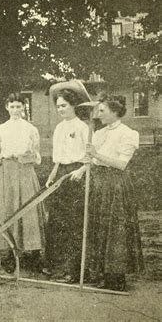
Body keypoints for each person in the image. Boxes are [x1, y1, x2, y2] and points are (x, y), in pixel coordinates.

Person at [83, 96, 144, 291]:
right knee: (100, 228)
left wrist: (96, 154)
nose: (98, 115)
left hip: (116, 185)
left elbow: (121, 164)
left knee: (115, 230)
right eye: (97, 111)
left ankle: (116, 277)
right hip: (100, 183)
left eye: (102, 111)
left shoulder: (128, 134)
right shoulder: (99, 133)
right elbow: (92, 160)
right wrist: (87, 161)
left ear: (115, 112)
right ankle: (102, 273)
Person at [0, 93, 45, 271]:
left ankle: (34, 253)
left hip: (25, 172)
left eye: (18, 106)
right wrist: (2, 159)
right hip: (6, 174)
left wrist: (26, 157)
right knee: (7, 210)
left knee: (28, 209)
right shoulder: (0, 130)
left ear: (24, 107)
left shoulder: (31, 129)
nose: (15, 110)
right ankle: (9, 254)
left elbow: (37, 155)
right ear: (7, 107)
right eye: (12, 106)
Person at [44, 80, 90, 283]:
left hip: (77, 174)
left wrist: (81, 170)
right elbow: (58, 157)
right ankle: (55, 266)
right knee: (55, 221)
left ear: (73, 105)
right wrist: (52, 175)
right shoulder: (59, 128)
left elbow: (91, 158)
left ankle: (73, 270)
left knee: (74, 223)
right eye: (58, 106)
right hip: (61, 174)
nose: (60, 109)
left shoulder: (83, 127)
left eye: (64, 105)